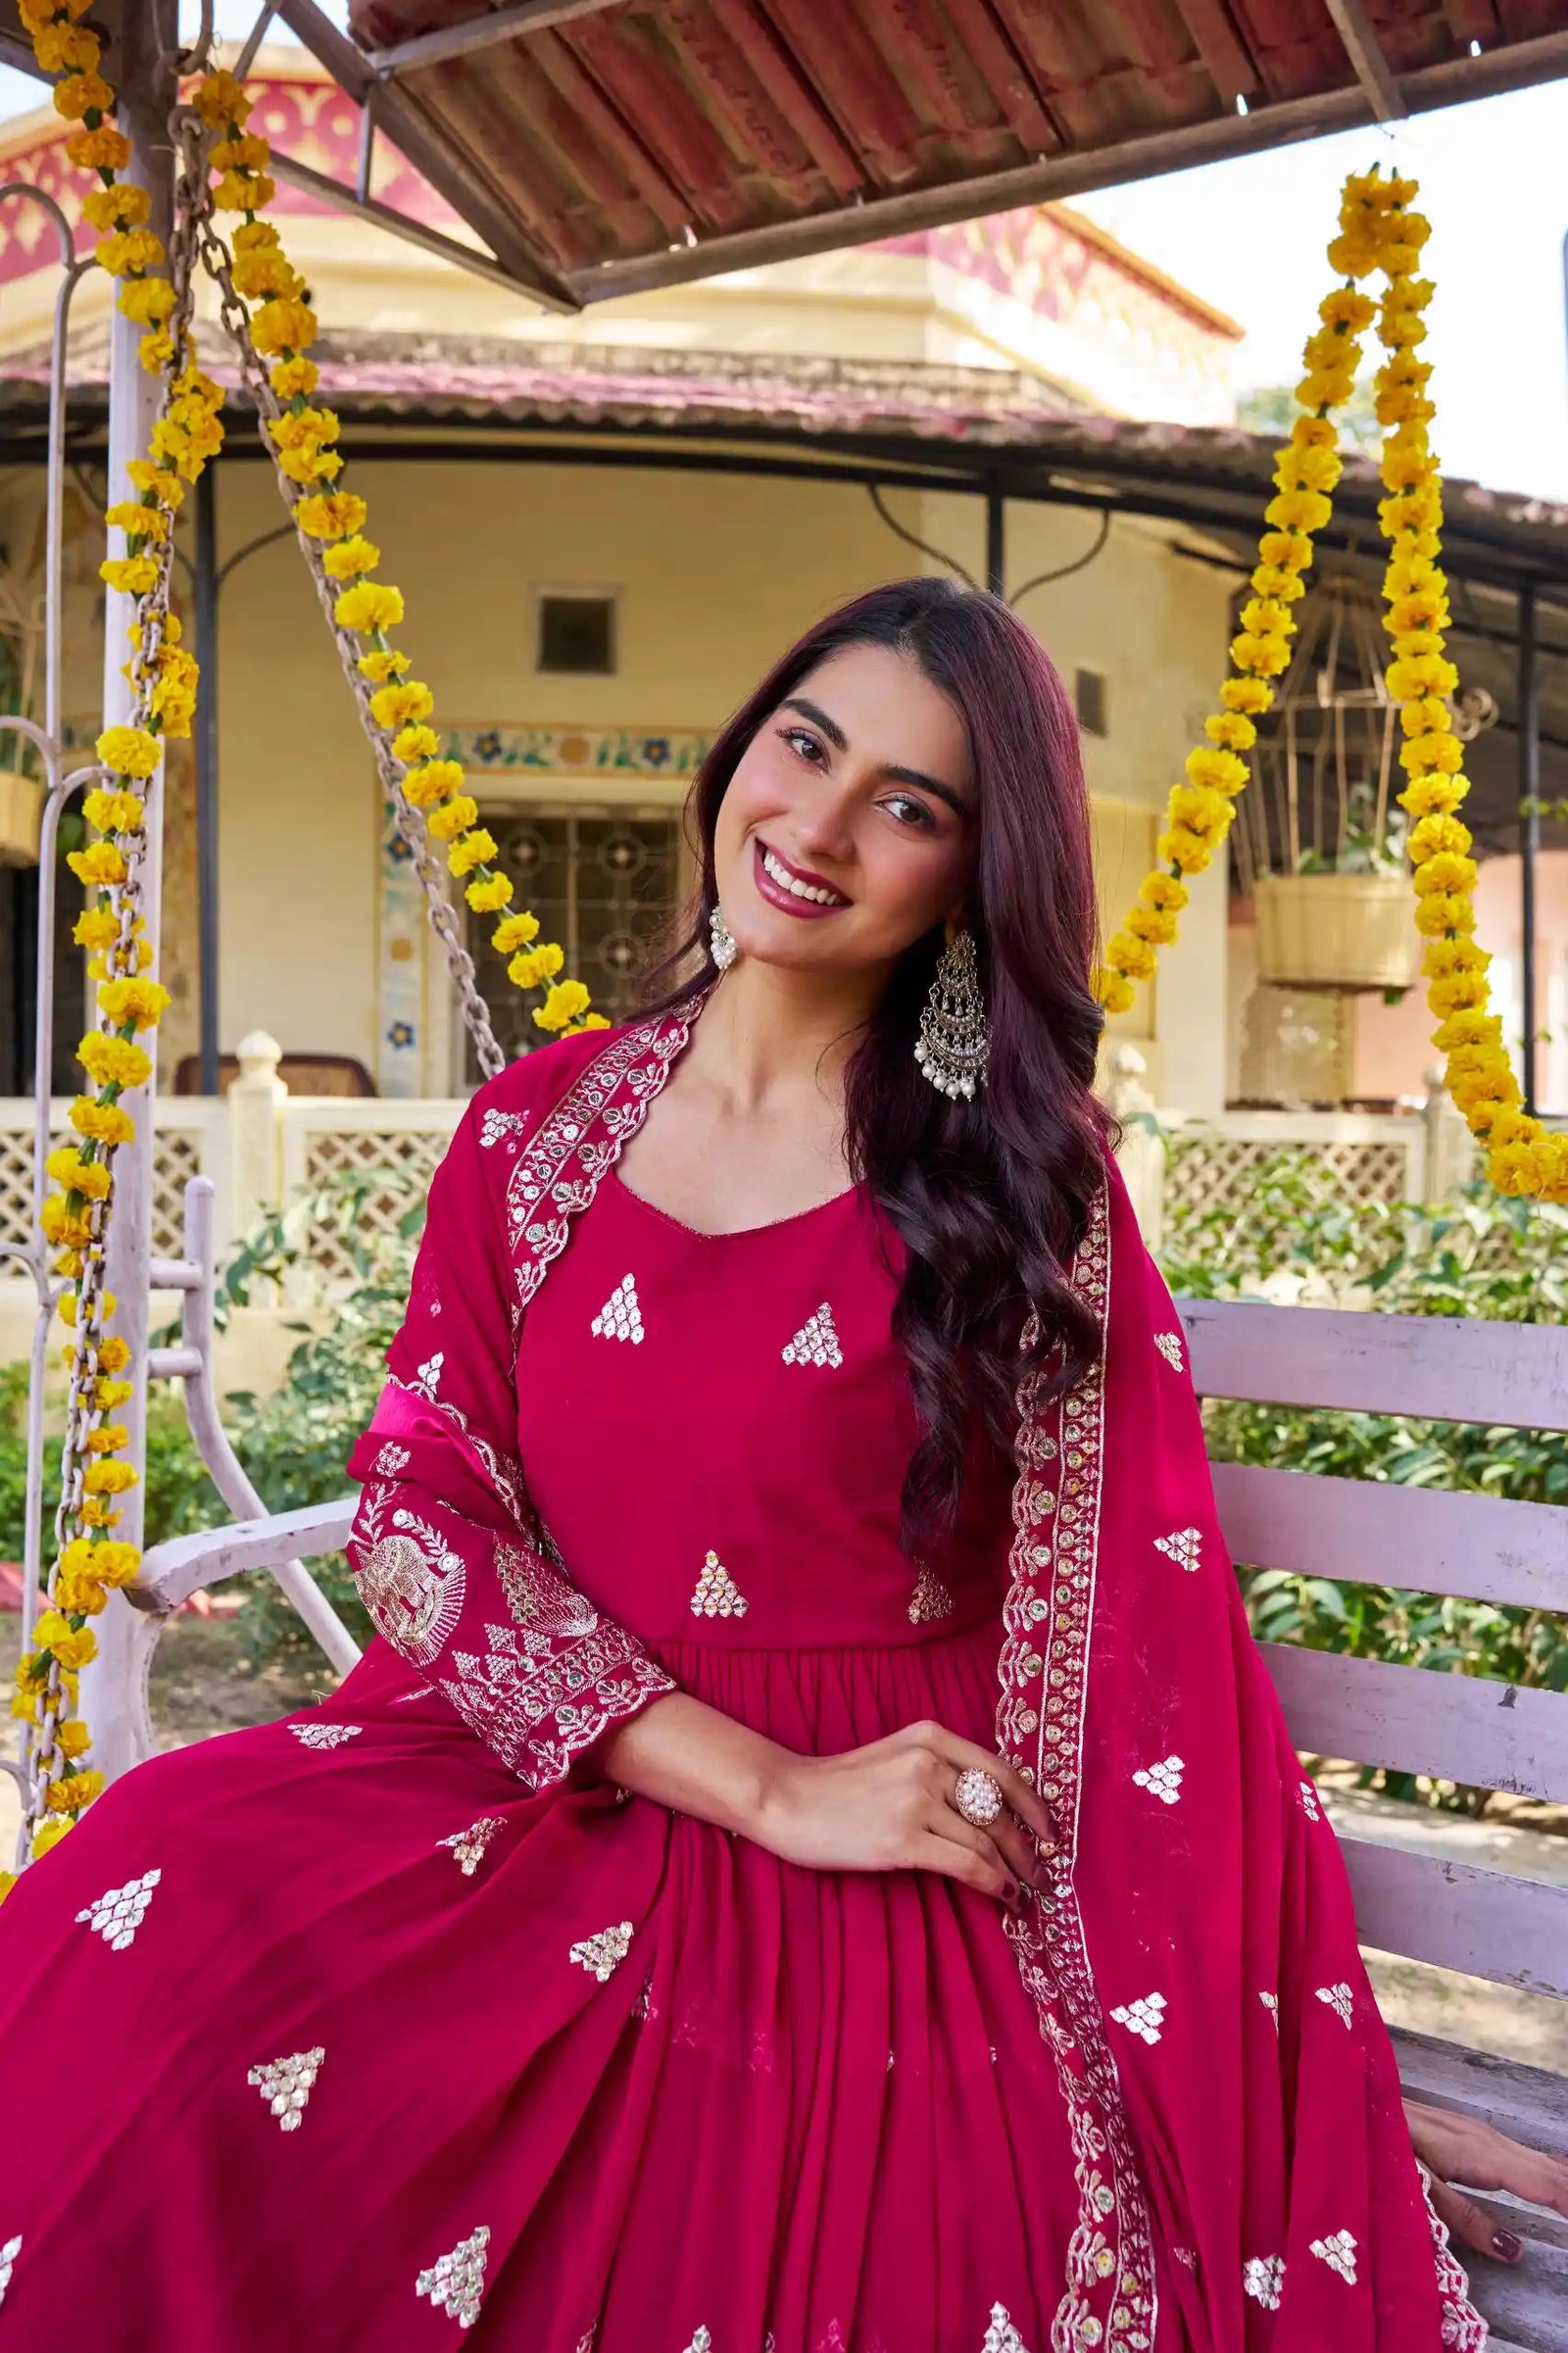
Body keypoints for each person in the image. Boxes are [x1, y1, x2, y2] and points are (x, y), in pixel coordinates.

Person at [0, 577, 1560, 2351]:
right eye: (805, 746)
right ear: (744, 746)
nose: (816, 825)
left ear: (971, 881)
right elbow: (422, 1510)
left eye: (908, 803)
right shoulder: (536, 1135)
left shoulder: (1017, 1190)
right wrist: (752, 1784)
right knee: (147, 1908)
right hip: (571, 1776)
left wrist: (1242, 2052)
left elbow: (1136, 1642)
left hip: (890, 1845)